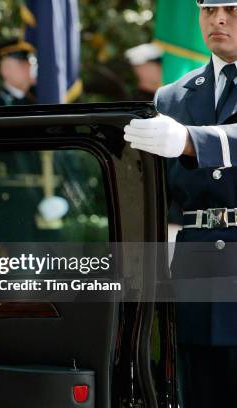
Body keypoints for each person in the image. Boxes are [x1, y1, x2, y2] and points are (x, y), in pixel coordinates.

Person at [123, 1, 237, 405]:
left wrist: (193, 141)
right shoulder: (172, 97)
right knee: (200, 388)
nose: (218, 19)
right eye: (209, 10)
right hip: (197, 262)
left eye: (232, 9)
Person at [0, 38, 37, 106]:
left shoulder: (38, 95)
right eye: (22, 64)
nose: (29, 67)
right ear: (5, 70)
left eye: (29, 63)